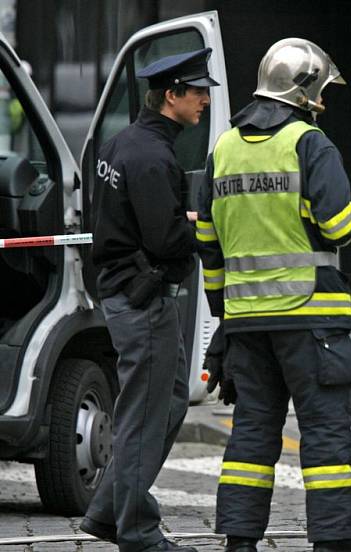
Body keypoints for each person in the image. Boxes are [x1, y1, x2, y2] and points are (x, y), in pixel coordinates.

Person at [196, 38, 351, 552]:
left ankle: (240, 543)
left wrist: (225, 320)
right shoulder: (310, 144)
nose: (324, 103)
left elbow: (208, 243)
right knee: (325, 437)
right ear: (305, 90)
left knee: (251, 435)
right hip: (311, 321)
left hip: (247, 324)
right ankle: (332, 543)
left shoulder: (222, 148)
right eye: (322, 92)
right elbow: (337, 227)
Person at [80, 48, 219, 552]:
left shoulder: (121, 144)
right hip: (144, 301)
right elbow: (166, 242)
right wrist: (202, 228)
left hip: (127, 295)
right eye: (198, 92)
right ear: (172, 95)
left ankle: (106, 513)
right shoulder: (153, 156)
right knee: (145, 415)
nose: (205, 100)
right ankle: (136, 530)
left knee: (170, 402)